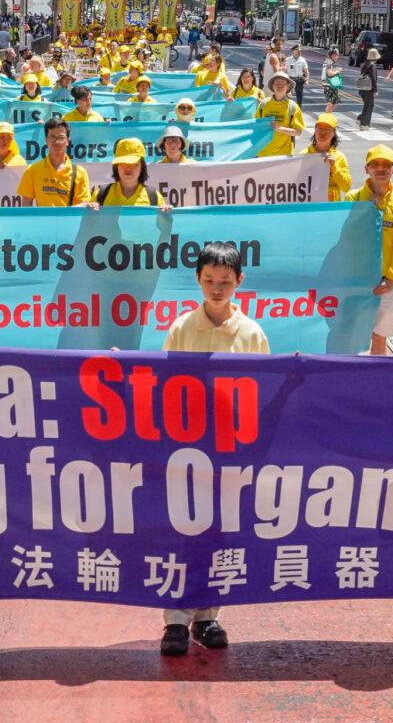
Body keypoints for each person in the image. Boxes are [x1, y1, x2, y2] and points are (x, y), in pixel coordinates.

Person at [159, 241, 270, 656]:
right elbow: (162, 385)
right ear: (197, 280)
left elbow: (264, 393)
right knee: (182, 530)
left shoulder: (253, 333)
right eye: (209, 280)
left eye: (225, 281)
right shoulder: (183, 328)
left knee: (219, 534)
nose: (217, 289)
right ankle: (174, 621)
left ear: (240, 281)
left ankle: (207, 617)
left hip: (230, 452)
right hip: (186, 450)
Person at [343, 145, 393, 356]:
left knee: (379, 337)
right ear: (366, 169)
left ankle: (374, 383)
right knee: (352, 336)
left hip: (385, 283)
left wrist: (390, 279)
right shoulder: (353, 198)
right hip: (358, 280)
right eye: (375, 164)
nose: (380, 169)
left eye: (386, 165)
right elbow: (345, 238)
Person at [16, 119, 95, 208]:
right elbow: (26, 203)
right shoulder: (32, 170)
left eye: (61, 138)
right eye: (52, 137)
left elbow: (85, 204)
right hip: (43, 222)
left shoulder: (80, 173)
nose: (57, 142)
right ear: (46, 140)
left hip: (69, 221)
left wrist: (63, 214)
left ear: (67, 141)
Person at [95, 138, 170, 209]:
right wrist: (88, 208)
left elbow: (163, 222)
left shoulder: (154, 196)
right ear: (116, 167)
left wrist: (167, 216)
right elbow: (88, 221)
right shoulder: (101, 194)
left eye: (134, 164)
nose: (128, 168)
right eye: (123, 163)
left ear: (142, 166)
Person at [299, 113, 350, 201]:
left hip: (331, 209)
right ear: (314, 130)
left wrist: (334, 167)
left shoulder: (339, 157)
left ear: (334, 133)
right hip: (310, 207)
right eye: (320, 128)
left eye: (327, 129)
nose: (323, 132)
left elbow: (346, 187)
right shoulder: (304, 155)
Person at [256, 72, 304, 157]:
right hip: (263, 154)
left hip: (284, 156)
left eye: (283, 82)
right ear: (272, 86)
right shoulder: (264, 104)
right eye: (277, 82)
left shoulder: (293, 107)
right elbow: (256, 126)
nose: (279, 85)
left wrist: (279, 128)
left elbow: (298, 132)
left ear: (288, 86)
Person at [356, 48, 379, 130]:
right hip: (369, 89)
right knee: (369, 106)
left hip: (362, 89)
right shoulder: (372, 66)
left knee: (367, 106)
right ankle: (365, 124)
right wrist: (375, 90)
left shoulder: (364, 64)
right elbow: (373, 79)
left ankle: (361, 119)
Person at [321, 47, 343, 113]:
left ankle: (328, 117)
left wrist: (336, 70)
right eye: (337, 55)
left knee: (333, 102)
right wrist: (338, 71)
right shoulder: (329, 62)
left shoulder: (328, 62)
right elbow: (329, 73)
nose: (338, 57)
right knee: (331, 103)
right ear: (333, 55)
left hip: (328, 84)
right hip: (329, 85)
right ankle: (326, 118)